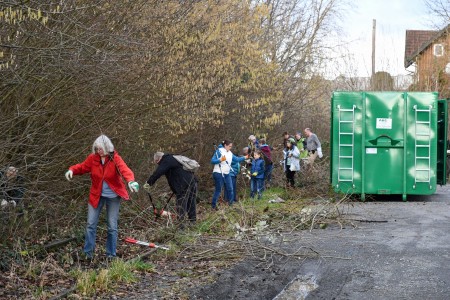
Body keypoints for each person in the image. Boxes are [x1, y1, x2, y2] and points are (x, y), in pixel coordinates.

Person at [65, 135, 139, 259]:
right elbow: (82, 167)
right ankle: (88, 253)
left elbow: (125, 170)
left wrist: (131, 181)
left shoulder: (115, 158)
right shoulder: (93, 158)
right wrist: (72, 170)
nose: (99, 151)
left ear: (107, 147)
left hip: (113, 197)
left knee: (112, 227)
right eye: (97, 149)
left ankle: (111, 254)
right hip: (96, 196)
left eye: (101, 149)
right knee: (90, 224)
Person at [144, 152, 197, 224]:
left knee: (181, 203)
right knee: (191, 201)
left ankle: (181, 225)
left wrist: (148, 183)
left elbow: (158, 173)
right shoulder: (174, 158)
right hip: (192, 181)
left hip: (183, 184)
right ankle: (193, 221)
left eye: (157, 163)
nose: (158, 165)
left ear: (158, 159)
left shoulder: (166, 161)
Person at [210, 140, 245, 209]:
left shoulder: (230, 153)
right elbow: (212, 161)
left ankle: (230, 204)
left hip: (227, 173)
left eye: (231, 146)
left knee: (230, 189)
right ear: (225, 145)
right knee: (218, 190)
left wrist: (245, 157)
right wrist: (220, 160)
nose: (230, 148)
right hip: (218, 173)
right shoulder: (219, 151)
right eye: (229, 146)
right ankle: (213, 206)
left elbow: (237, 159)